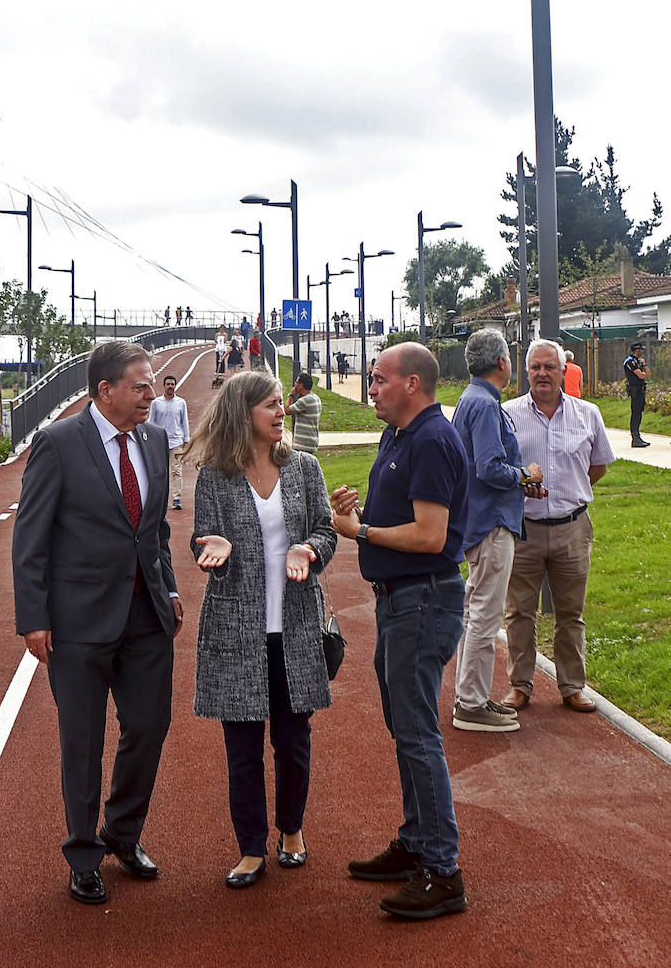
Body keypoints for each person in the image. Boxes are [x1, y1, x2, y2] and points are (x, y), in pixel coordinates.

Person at [11, 341, 184, 906]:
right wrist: (33, 618)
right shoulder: (58, 444)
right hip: (78, 621)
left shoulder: (155, 441)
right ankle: (84, 854)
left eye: (152, 384)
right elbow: (30, 538)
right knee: (82, 741)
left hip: (147, 616)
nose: (151, 394)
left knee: (149, 727)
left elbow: (154, 530)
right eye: (139, 386)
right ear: (104, 390)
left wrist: (172, 587)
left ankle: (123, 833)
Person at [330, 343, 469, 921]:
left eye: (379, 379)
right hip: (399, 602)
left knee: (417, 733)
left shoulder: (434, 439)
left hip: (422, 600)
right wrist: (360, 512)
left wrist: (361, 531)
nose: (371, 388)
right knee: (404, 725)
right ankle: (416, 842)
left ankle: (442, 870)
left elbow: (432, 537)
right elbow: (402, 517)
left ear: (412, 383)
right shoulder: (398, 436)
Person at [189, 371, 337, 888]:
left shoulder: (304, 468)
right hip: (236, 628)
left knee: (294, 741)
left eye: (282, 404)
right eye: (271, 405)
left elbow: (324, 528)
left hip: (294, 626)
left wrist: (310, 549)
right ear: (242, 413)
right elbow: (201, 540)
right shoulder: (214, 475)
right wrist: (216, 551)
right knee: (242, 747)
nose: (282, 412)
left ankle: (291, 831)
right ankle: (250, 847)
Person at [504, 339, 615, 714]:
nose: (542, 374)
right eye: (535, 367)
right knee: (519, 611)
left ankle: (572, 686)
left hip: (572, 527)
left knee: (571, 613)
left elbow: (598, 465)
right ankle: (520, 685)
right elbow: (499, 470)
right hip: (524, 529)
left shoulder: (588, 414)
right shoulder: (508, 415)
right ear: (526, 371)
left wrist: (572, 490)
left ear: (563, 371)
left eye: (549, 367)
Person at [451, 330, 544, 734]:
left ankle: (469, 695)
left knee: (476, 614)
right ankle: (470, 704)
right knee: (485, 616)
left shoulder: (471, 400)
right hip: (491, 523)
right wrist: (525, 474)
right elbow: (488, 467)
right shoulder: (485, 405)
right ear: (503, 363)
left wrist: (519, 481)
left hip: (480, 520)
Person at [149, 373, 190, 508]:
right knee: (161, 472)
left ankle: (176, 499)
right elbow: (152, 422)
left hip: (176, 441)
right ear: (164, 386)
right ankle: (160, 499)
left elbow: (184, 421)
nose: (170, 386)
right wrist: (151, 439)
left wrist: (186, 438)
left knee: (176, 471)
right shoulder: (156, 403)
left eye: (172, 384)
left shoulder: (181, 403)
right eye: (168, 384)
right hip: (160, 442)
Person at [285, 372, 321, 455]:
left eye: (297, 382)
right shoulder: (316, 398)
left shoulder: (305, 401)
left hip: (302, 445)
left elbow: (287, 411)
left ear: (301, 385)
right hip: (312, 441)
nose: (295, 385)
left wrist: (290, 395)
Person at [624, 341, 650, 447]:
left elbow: (648, 374)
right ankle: (635, 438)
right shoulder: (630, 361)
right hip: (635, 390)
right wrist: (642, 372)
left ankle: (638, 436)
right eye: (641, 349)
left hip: (641, 389)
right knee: (635, 414)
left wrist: (644, 365)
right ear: (636, 350)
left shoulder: (638, 361)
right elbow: (641, 376)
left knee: (639, 413)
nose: (642, 351)